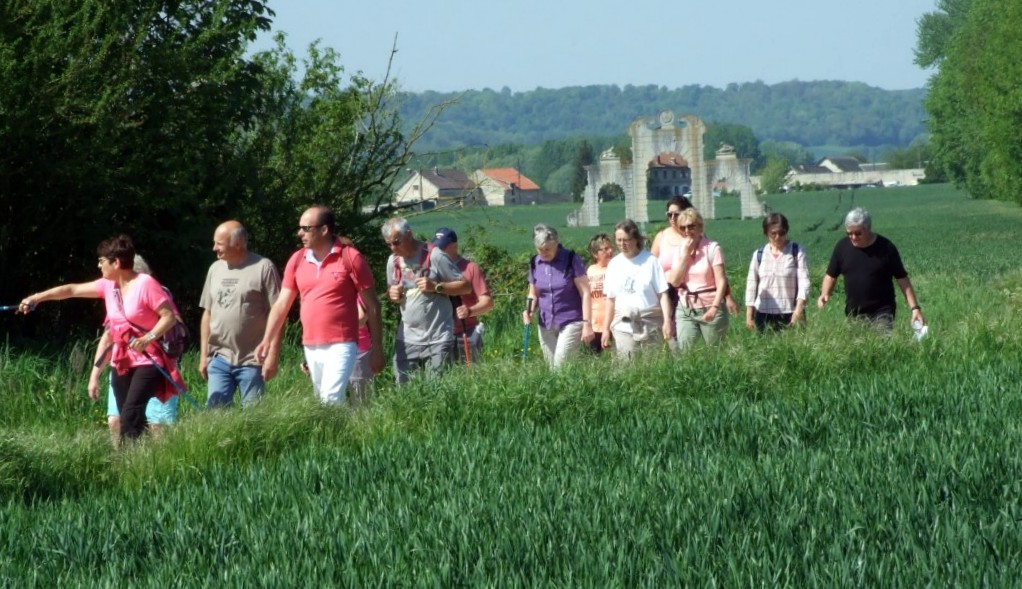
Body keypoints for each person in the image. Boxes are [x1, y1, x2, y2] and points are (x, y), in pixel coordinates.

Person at [19, 235, 183, 441]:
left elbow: (169, 317)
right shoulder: (108, 286)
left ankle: (128, 466)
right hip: (122, 361)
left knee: (131, 413)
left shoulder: (145, 283)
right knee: (126, 418)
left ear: (116, 263)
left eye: (102, 260)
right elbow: (72, 290)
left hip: (147, 360)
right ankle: (142, 461)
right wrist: (36, 298)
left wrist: (148, 338)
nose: (98, 265)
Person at [255, 206, 384, 404]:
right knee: (322, 400)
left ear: (324, 230)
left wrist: (377, 349)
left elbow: (373, 306)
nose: (300, 233)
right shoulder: (297, 260)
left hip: (342, 342)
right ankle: (339, 434)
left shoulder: (350, 258)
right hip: (311, 344)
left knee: (330, 399)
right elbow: (282, 304)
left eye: (306, 228)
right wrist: (266, 340)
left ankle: (334, 434)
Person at [88, 255, 179, 445]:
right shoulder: (115, 295)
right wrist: (95, 375)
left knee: (157, 425)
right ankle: (130, 461)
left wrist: (149, 337)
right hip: (123, 365)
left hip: (153, 365)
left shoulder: (155, 292)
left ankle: (155, 464)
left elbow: (173, 326)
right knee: (118, 420)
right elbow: (108, 338)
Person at [199, 220, 282, 409]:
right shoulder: (215, 269)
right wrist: (204, 355)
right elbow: (207, 313)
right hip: (219, 358)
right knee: (216, 417)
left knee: (254, 419)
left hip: (253, 359)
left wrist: (273, 356)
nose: (214, 248)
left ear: (237, 244)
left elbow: (278, 314)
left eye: (219, 244)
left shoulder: (263, 267)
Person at [383, 217, 470, 383]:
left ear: (409, 235)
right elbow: (391, 291)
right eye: (388, 244)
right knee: (404, 392)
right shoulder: (393, 262)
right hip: (408, 338)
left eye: (396, 242)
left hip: (438, 337)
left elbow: (465, 286)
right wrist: (393, 295)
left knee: (438, 390)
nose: (393, 248)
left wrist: (436, 287)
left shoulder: (434, 255)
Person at [817, 207, 926, 331]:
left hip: (882, 311)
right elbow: (831, 275)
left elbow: (902, 280)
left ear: (868, 228)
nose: (853, 237)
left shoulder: (886, 248)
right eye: (849, 233)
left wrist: (915, 308)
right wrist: (824, 294)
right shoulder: (842, 247)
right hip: (854, 313)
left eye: (858, 233)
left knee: (881, 343)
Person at [651, 195, 739, 346]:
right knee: (678, 345)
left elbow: (719, 277)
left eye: (676, 214)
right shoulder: (664, 239)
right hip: (672, 295)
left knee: (713, 349)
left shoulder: (708, 245)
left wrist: (726, 298)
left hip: (705, 298)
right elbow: (654, 268)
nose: (672, 218)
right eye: (669, 214)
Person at [523, 224, 595, 368]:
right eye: (540, 250)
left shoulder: (571, 259)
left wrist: (587, 324)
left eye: (548, 249)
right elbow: (533, 293)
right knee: (552, 368)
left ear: (557, 243)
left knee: (560, 367)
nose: (544, 253)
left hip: (571, 320)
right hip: (545, 323)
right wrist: (529, 311)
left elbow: (585, 292)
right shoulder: (534, 263)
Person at [601, 220, 672, 358]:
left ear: (635, 239)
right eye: (619, 240)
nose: (622, 244)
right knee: (626, 366)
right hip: (623, 324)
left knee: (652, 365)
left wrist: (667, 321)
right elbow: (610, 300)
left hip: (650, 323)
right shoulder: (614, 264)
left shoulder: (651, 261)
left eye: (626, 240)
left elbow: (663, 295)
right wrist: (605, 329)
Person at [665, 208, 730, 349]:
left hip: (710, 305)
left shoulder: (712, 248)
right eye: (683, 228)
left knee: (715, 352)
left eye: (691, 226)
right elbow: (675, 282)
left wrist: (714, 308)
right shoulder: (678, 251)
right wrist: (685, 256)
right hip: (686, 308)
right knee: (686, 352)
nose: (687, 231)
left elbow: (721, 281)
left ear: (700, 227)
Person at [432, 227, 494, 365]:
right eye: (435, 247)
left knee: (471, 377)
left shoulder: (470, 268)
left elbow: (488, 303)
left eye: (442, 248)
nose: (437, 252)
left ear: (455, 246)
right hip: (439, 336)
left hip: (467, 333)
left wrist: (470, 311)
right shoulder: (432, 270)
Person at [744, 213, 810, 332]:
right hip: (763, 314)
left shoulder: (797, 251)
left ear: (787, 231)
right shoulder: (759, 254)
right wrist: (749, 316)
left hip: (790, 312)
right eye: (773, 233)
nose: (778, 237)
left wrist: (798, 311)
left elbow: (804, 283)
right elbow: (751, 285)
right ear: (766, 233)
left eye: (782, 232)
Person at [586, 233, 613, 354]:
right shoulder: (590, 270)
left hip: (614, 323)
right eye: (605, 249)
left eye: (610, 247)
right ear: (595, 253)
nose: (610, 251)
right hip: (594, 324)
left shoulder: (616, 267)